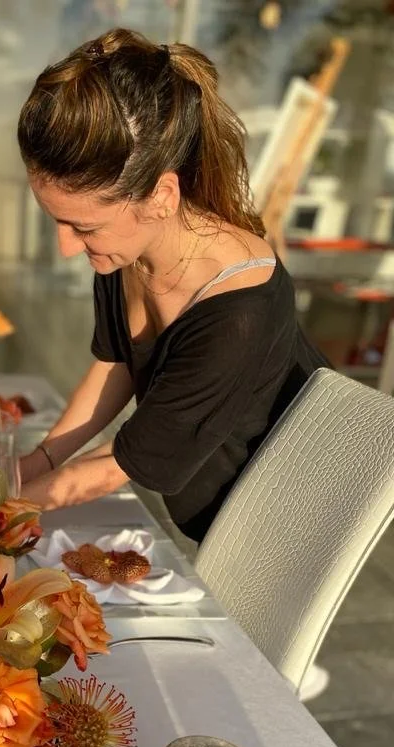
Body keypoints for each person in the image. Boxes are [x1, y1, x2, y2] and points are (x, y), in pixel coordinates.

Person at [17, 28, 330, 543]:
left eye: (84, 227)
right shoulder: (129, 250)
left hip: (270, 538)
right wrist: (38, 460)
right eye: (57, 221)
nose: (66, 248)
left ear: (161, 195)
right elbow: (118, 361)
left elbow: (123, 462)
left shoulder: (238, 310)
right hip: (205, 518)